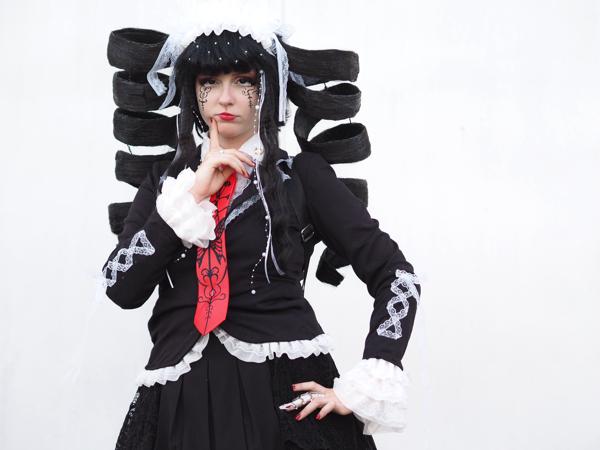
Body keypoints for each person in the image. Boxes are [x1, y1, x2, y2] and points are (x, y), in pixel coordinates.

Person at [101, 5, 421, 450]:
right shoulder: (165, 184)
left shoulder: (302, 176)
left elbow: (397, 276)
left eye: (243, 81)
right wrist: (190, 199)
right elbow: (120, 286)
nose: (224, 98)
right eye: (209, 82)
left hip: (282, 407)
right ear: (192, 91)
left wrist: (369, 378)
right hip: (179, 410)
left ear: (268, 88)